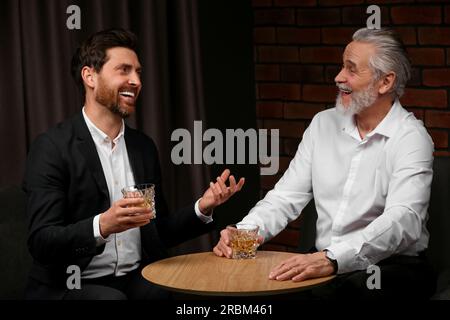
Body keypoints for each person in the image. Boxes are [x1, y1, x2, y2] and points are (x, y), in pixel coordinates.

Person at [214, 28, 436, 300]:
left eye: (351, 70)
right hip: (325, 262)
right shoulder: (322, 123)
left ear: (385, 82)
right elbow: (286, 196)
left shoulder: (411, 137)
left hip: (390, 268)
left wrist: (332, 259)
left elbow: (404, 219)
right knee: (257, 291)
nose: (338, 77)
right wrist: (245, 232)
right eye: (342, 66)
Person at [23, 28, 244, 300]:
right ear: (90, 76)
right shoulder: (52, 147)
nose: (136, 81)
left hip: (135, 278)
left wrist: (203, 207)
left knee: (189, 291)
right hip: (71, 284)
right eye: (124, 70)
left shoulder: (143, 147)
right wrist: (102, 225)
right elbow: (42, 241)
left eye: (138, 72)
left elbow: (157, 232)